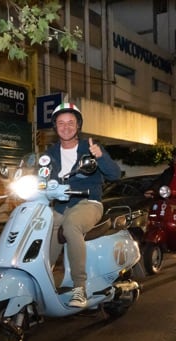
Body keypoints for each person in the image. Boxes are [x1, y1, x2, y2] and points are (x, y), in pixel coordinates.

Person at [47, 102, 122, 308]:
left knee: (71, 226)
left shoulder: (89, 147)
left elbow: (115, 175)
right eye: (61, 123)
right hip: (61, 206)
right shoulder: (50, 152)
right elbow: (40, 176)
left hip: (89, 202)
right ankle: (43, 279)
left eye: (71, 122)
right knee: (40, 226)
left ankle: (79, 288)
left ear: (78, 125)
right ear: (55, 126)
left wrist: (101, 156)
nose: (66, 127)